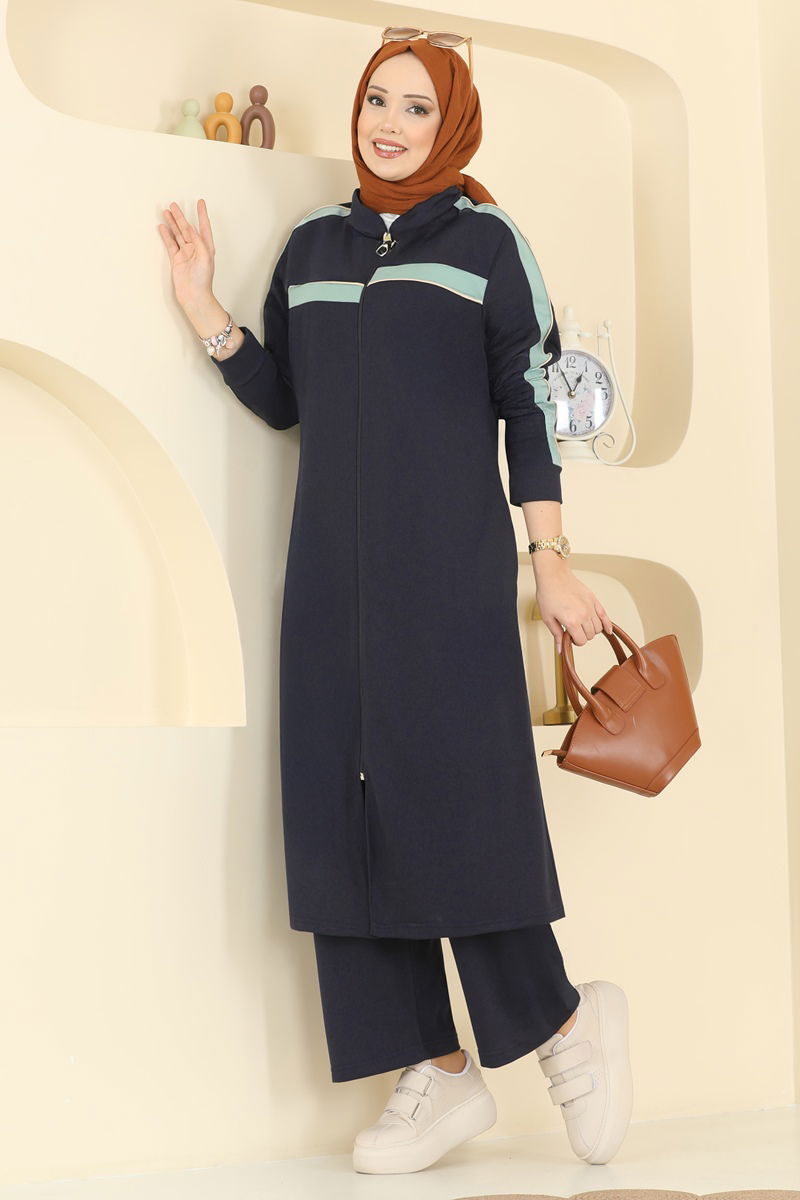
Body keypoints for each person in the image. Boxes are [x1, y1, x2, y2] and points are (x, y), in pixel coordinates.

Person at [158, 27, 633, 1174]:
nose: (390, 122)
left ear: (451, 123)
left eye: (418, 107)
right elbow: (288, 397)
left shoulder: (485, 244)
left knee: (457, 803)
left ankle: (564, 1027)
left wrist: (549, 559)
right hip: (329, 580)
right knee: (338, 813)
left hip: (447, 576)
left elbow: (528, 403)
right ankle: (436, 1071)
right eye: (379, 99)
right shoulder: (311, 246)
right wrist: (202, 306)